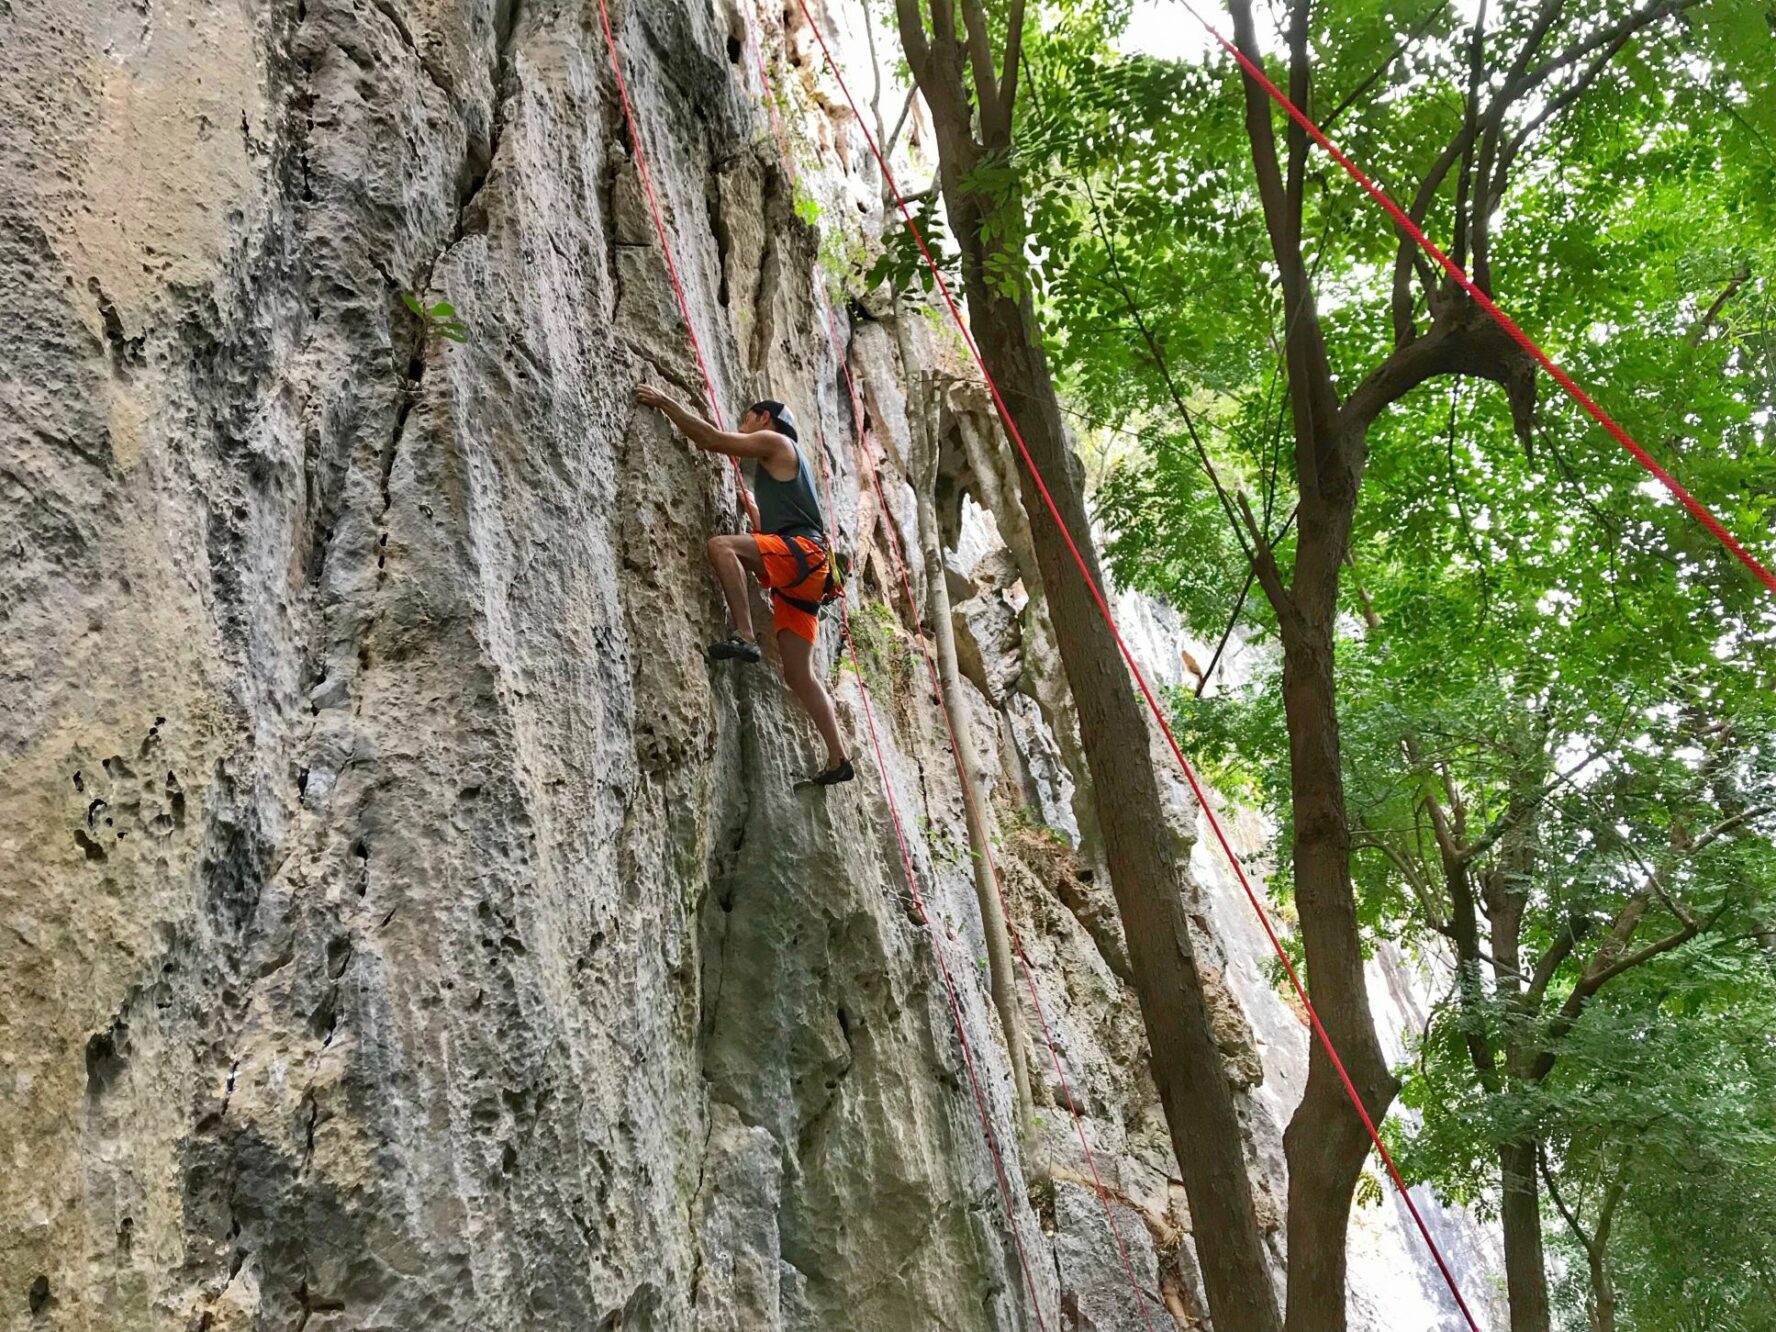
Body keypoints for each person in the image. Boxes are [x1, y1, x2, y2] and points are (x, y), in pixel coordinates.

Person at [634, 384, 854, 787]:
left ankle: (745, 635)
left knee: (721, 547)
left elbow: (713, 440)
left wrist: (666, 402)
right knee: (799, 675)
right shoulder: (788, 468)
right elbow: (778, 535)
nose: (743, 425)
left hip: (803, 557)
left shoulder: (774, 441)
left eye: (748, 418)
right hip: (808, 577)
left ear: (764, 418)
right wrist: (756, 514)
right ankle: (839, 757)